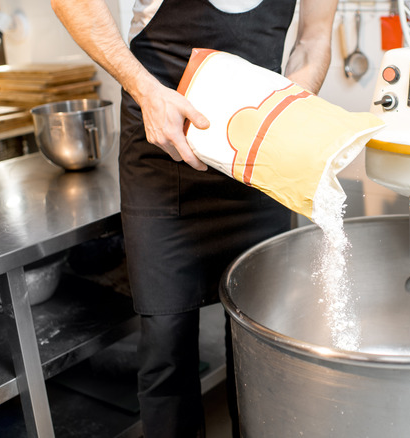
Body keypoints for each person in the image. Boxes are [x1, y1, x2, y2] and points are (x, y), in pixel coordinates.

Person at [50, 0, 339, 436]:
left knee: (257, 346)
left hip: (255, 162)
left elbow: (314, 38)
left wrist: (290, 107)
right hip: (163, 158)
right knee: (166, 348)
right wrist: (143, 89)